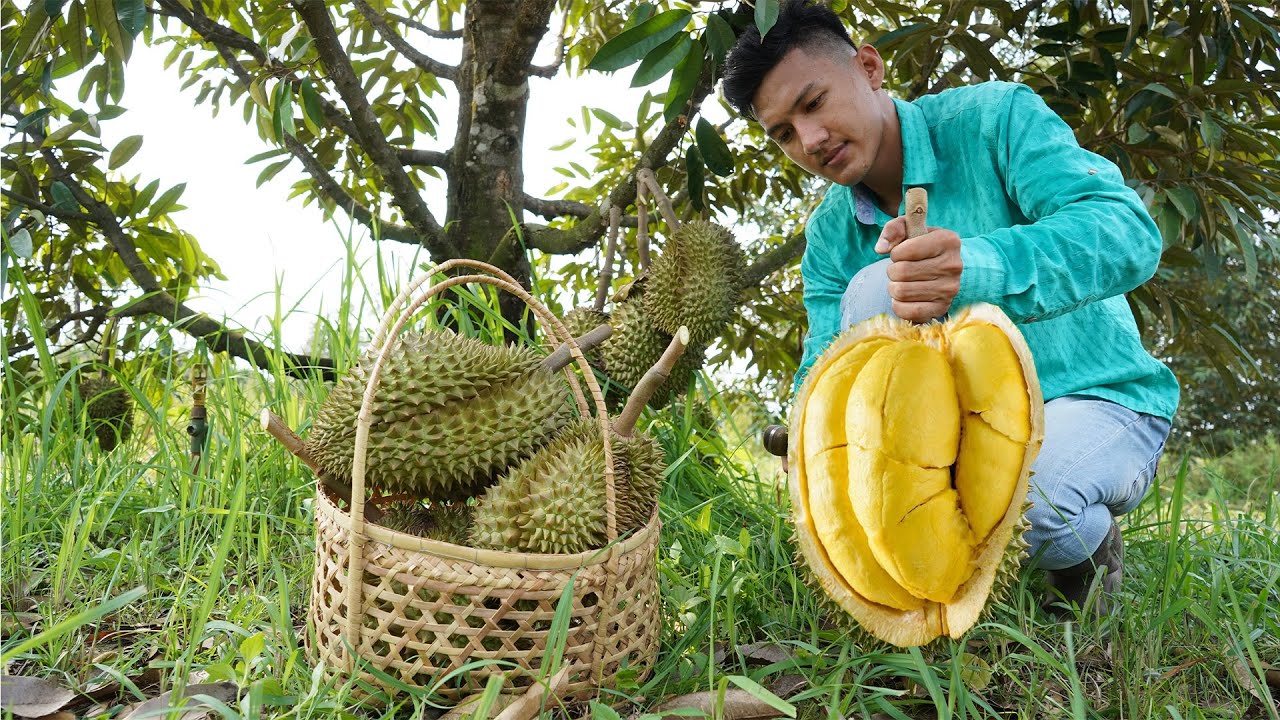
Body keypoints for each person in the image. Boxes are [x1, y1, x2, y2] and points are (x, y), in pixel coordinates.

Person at [723, 0, 1179, 617]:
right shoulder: (831, 234)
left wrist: (978, 268)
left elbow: (1128, 232)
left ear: (868, 67)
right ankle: (944, 602)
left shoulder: (996, 119)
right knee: (867, 293)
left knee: (1034, 508)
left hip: (1097, 397)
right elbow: (824, 359)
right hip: (958, 432)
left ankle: (1089, 550)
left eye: (813, 103)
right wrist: (807, 450)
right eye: (783, 132)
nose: (809, 140)